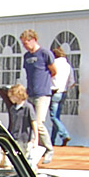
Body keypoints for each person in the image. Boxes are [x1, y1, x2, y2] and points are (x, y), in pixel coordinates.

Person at [20, 29, 56, 164]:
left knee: (39, 123)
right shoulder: (26, 56)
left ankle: (49, 149)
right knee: (30, 122)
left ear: (33, 40)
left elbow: (53, 71)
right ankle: (32, 148)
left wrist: (44, 83)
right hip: (31, 92)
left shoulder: (45, 53)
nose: (25, 46)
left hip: (43, 93)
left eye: (26, 43)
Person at [5, 84, 39, 168]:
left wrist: (36, 138)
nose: (10, 99)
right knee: (12, 157)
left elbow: (33, 122)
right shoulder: (13, 108)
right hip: (14, 136)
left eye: (12, 96)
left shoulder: (28, 107)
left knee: (23, 159)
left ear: (18, 95)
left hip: (24, 138)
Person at [49, 47, 74, 146]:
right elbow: (72, 82)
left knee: (53, 116)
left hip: (55, 91)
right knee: (56, 117)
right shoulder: (68, 66)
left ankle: (64, 134)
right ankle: (52, 140)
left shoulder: (53, 64)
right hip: (63, 92)